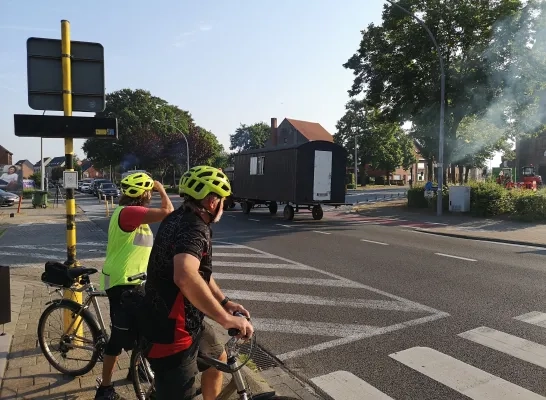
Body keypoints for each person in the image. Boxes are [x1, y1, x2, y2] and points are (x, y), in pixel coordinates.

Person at [141, 165, 254, 400]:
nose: (225, 205)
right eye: (224, 199)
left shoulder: (178, 218)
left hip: (190, 321)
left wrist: (225, 302)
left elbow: (200, 272)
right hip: (171, 331)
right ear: (212, 201)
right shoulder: (195, 228)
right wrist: (225, 319)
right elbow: (184, 275)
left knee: (218, 358)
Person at [95, 172, 174, 400]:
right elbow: (168, 212)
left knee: (143, 331)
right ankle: (105, 389)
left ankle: (136, 369)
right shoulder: (130, 212)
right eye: (149, 191)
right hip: (121, 283)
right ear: (144, 193)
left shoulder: (134, 215)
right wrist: (161, 188)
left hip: (135, 281)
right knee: (118, 339)